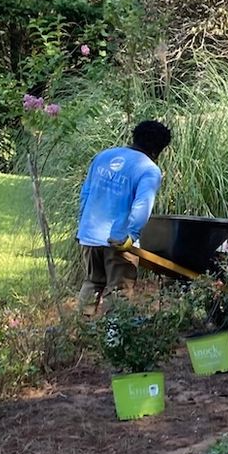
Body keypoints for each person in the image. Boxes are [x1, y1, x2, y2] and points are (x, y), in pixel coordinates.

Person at [74, 119, 172, 312]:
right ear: (158, 149)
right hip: (118, 240)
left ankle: (80, 331)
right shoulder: (149, 169)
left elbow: (85, 194)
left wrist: (83, 225)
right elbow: (142, 205)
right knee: (119, 290)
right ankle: (114, 338)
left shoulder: (104, 156)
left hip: (89, 234)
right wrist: (132, 235)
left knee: (92, 282)